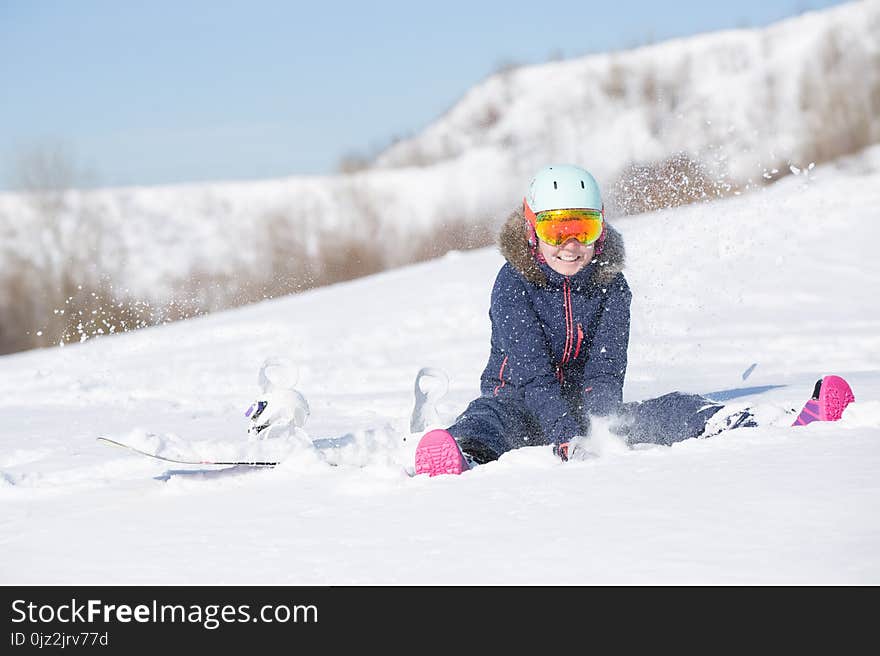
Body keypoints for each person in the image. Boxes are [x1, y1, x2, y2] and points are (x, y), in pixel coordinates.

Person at [413, 164, 855, 476]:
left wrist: (603, 426)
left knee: (668, 410)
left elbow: (606, 371)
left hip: (581, 408)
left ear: (600, 229)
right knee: (486, 418)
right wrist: (567, 436)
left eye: (582, 229)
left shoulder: (610, 286)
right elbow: (532, 377)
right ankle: (461, 457)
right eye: (555, 230)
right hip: (519, 400)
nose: (570, 245)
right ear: (532, 232)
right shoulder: (514, 284)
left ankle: (768, 423)